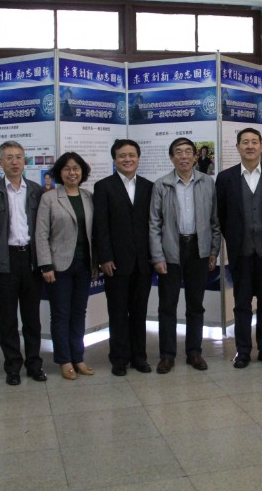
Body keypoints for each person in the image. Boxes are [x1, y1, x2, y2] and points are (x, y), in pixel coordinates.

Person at [216, 128, 262, 369]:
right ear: (238, 147)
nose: (249, 146)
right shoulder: (225, 178)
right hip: (241, 252)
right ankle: (243, 351)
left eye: (254, 142)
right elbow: (222, 214)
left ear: (261, 146)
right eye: (245, 142)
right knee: (242, 304)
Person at [150, 137, 221, 373]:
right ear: (171, 157)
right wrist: (158, 256)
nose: (184, 156)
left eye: (188, 151)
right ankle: (167, 355)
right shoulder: (161, 185)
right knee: (167, 306)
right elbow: (154, 224)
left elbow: (215, 221)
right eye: (178, 152)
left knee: (195, 305)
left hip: (198, 249)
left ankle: (194, 352)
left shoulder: (207, 182)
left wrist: (213, 251)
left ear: (195, 156)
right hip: (171, 249)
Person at [0, 141, 46, 385]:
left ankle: (34, 364)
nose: (15, 162)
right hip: (5, 261)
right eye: (9, 157)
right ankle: (13, 367)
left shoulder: (37, 191)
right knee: (7, 318)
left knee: (32, 318)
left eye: (19, 157)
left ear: (25, 160)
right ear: (1, 162)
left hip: (31, 259)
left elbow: (44, 228)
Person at [93, 139, 154, 376]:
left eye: (131, 155)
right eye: (122, 156)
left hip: (143, 262)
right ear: (114, 159)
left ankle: (139, 357)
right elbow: (101, 226)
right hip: (115, 262)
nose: (127, 159)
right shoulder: (104, 186)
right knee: (118, 313)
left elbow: (153, 224)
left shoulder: (149, 186)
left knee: (139, 312)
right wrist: (104, 257)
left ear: (138, 158)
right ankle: (119, 358)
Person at [36, 152, 96, 380]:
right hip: (58, 266)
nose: (72, 173)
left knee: (79, 313)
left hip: (84, 265)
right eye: (67, 169)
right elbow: (41, 234)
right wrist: (46, 265)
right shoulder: (50, 198)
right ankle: (64, 360)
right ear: (59, 173)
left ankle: (78, 357)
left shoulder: (88, 196)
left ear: (83, 172)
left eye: (76, 168)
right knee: (61, 314)